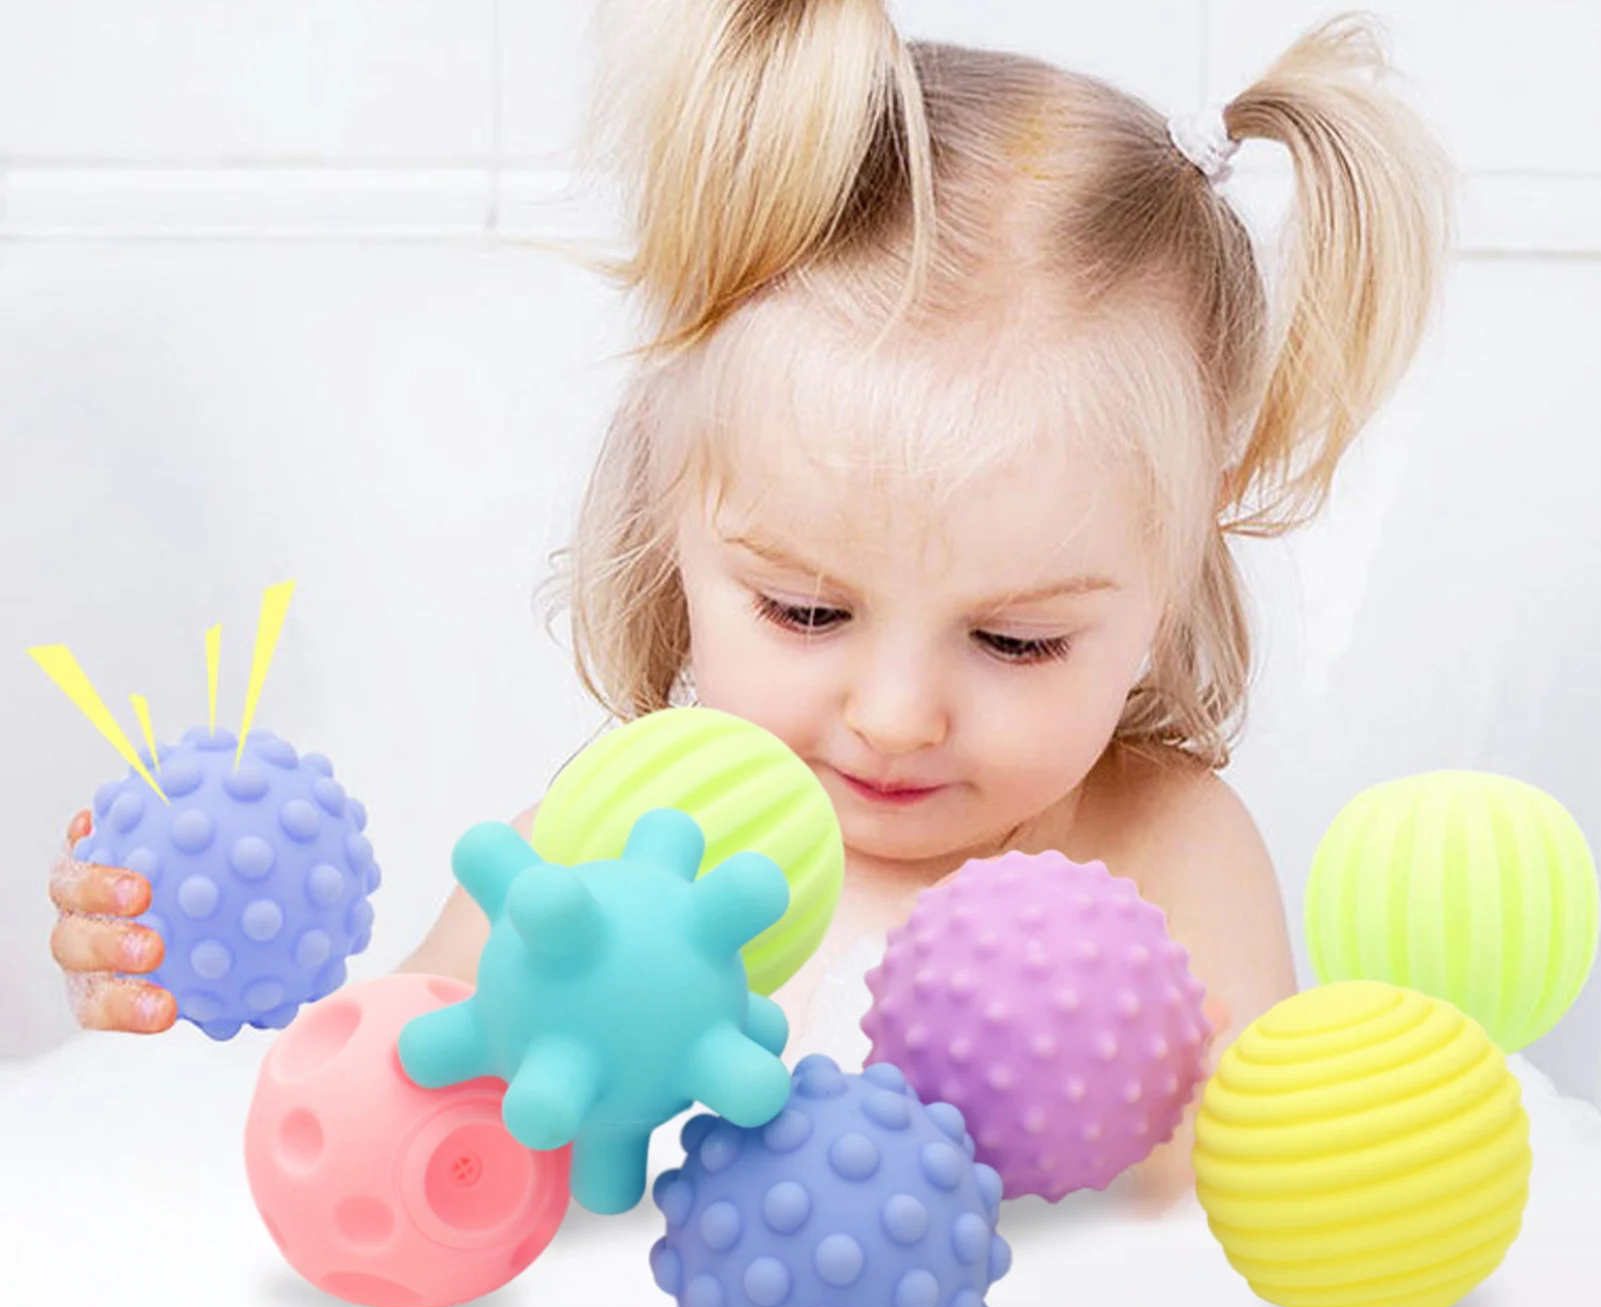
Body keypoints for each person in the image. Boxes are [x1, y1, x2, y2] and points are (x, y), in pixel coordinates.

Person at [47, 2, 1453, 1204]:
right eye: (806, 613)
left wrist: (1123, 1117)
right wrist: (177, 997)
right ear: (674, 526)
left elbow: (1244, 1232)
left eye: (1016, 639)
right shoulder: (618, 850)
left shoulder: (1162, 856)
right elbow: (385, 1099)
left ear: (1176, 572)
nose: (895, 716)